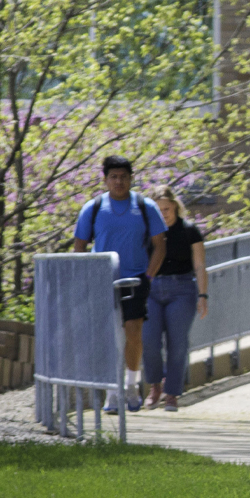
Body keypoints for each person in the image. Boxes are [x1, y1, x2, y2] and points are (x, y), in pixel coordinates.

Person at [70, 155, 166, 412]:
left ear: (131, 178)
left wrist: (148, 275)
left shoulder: (145, 207)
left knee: (133, 332)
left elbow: (160, 245)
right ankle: (112, 391)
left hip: (135, 278)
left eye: (123, 176)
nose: (119, 181)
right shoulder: (93, 207)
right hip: (102, 279)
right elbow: (80, 246)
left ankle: (131, 384)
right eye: (113, 176)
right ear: (106, 179)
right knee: (108, 336)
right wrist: (86, 276)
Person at [141, 186, 207, 411]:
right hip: (151, 290)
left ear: (176, 207)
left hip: (181, 289)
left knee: (177, 344)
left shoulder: (189, 231)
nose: (164, 214)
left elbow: (199, 265)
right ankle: (155, 385)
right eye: (158, 210)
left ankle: (172, 393)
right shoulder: (147, 231)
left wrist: (203, 295)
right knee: (149, 341)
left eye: (167, 209)